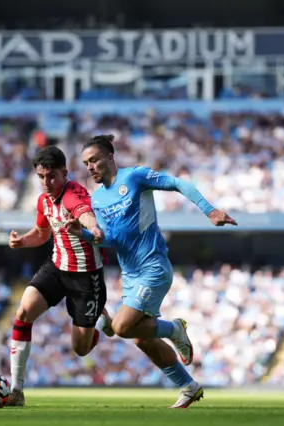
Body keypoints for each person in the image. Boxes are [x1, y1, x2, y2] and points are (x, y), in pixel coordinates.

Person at [67, 135, 237, 408]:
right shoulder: (97, 200)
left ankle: (174, 329)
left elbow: (178, 183)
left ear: (110, 157)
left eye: (94, 160)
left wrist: (210, 210)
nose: (90, 167)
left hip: (153, 266)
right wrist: (84, 234)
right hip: (131, 275)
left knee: (121, 327)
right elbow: (110, 239)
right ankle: (188, 386)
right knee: (140, 338)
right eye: (86, 163)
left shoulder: (134, 177)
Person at [6, 145, 113, 407]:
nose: (46, 182)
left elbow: (84, 213)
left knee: (80, 349)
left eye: (51, 176)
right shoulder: (43, 200)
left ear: (64, 173)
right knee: (23, 313)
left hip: (86, 277)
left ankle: (100, 320)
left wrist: (94, 227)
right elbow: (42, 233)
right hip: (57, 266)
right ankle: (16, 391)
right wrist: (23, 241)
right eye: (41, 176)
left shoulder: (73, 193)